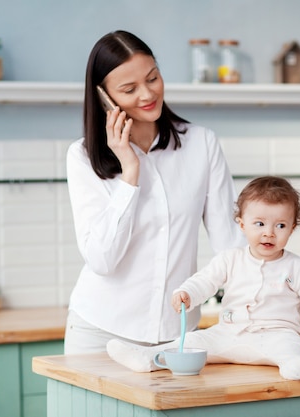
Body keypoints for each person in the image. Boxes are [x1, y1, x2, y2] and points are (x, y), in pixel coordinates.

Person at [64, 30, 243, 354]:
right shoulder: (82, 156)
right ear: (104, 97)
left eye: (153, 78)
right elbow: (102, 259)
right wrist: (130, 172)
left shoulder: (201, 144)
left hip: (176, 335)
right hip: (98, 332)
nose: (147, 94)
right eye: (129, 89)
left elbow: (231, 243)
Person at [107, 176, 300, 380]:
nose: (269, 233)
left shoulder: (299, 268)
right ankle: (148, 358)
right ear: (242, 225)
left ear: (293, 228)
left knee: (291, 347)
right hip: (229, 335)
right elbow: (204, 280)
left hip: (278, 336)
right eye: (260, 223)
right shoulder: (230, 259)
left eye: (281, 225)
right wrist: (187, 293)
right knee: (193, 339)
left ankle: (296, 364)